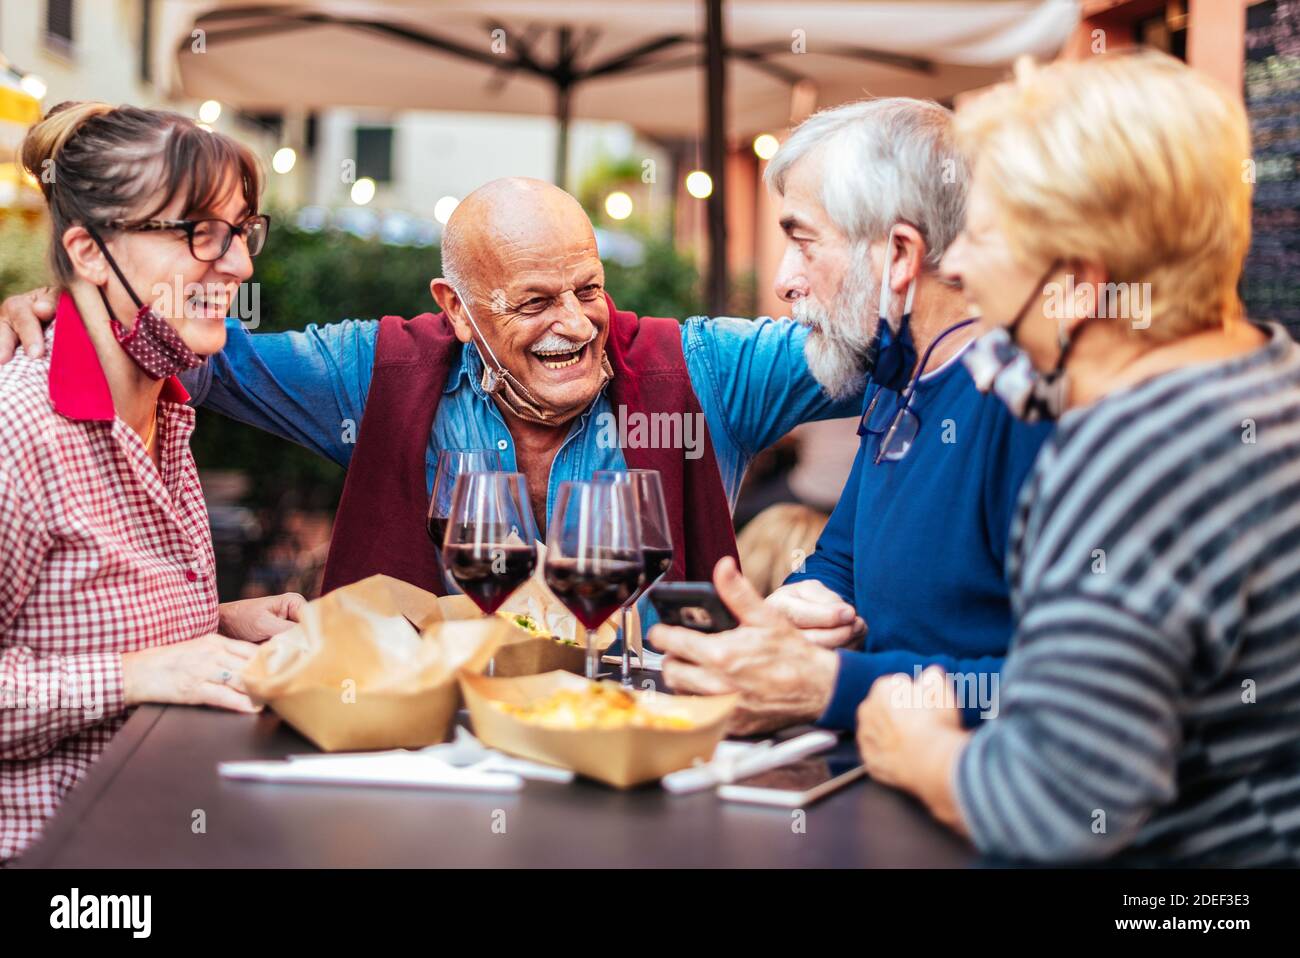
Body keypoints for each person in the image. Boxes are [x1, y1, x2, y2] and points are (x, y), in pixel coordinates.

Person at [1, 177, 866, 620]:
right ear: (454, 309)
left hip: (644, 767)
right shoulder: (375, 373)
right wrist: (80, 306)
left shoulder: (704, 370)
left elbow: (878, 350)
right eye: (533, 302)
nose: (576, 325)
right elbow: (200, 362)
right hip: (430, 767)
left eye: (589, 290)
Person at [857, 51, 1300, 866]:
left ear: (1077, 284)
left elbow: (1056, 807)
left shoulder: (1133, 463)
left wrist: (918, 750)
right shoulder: (1271, 378)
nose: (954, 264)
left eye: (985, 235)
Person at [649, 98, 1052, 734]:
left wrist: (830, 687)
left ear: (898, 254)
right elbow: (843, 563)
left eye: (803, 242)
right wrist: (782, 617)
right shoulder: (898, 375)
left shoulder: (1026, 405)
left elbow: (1057, 691)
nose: (784, 281)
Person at [0, 101, 304, 864]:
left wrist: (211, 623)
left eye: (241, 232)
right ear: (90, 251)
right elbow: (123, 671)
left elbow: (67, 616)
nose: (238, 264)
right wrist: (138, 670)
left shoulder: (165, 408)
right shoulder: (20, 430)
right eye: (198, 231)